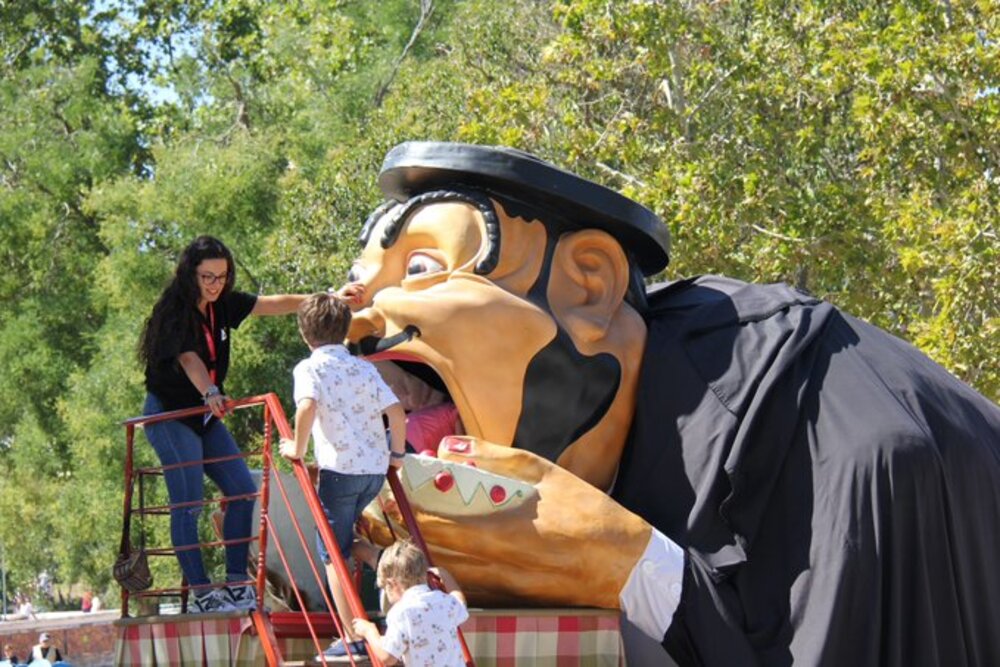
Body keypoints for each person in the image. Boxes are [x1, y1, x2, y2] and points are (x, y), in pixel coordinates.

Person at [336, 141, 1000, 665]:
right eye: (357, 282)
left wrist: (625, 562)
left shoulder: (813, 433)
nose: (356, 314)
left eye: (420, 268)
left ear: (589, 284)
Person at [138, 235, 314, 613]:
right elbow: (188, 359)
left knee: (241, 491)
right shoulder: (175, 310)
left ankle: (237, 585)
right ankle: (203, 595)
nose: (215, 284)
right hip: (172, 415)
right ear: (190, 275)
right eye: (207, 277)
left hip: (203, 414)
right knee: (189, 505)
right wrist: (211, 392)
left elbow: (269, 304)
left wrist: (321, 299)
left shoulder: (224, 304)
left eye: (222, 276)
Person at [278, 292, 406, 660]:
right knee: (343, 539)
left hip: (339, 472)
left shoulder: (310, 368)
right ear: (345, 330)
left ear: (305, 333)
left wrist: (297, 449)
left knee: (331, 552)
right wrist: (396, 455)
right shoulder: (364, 367)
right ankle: (382, 559)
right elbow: (396, 412)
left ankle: (351, 634)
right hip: (373, 472)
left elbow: (307, 407)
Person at [352, 540, 468, 667]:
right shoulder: (444, 602)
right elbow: (460, 601)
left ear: (392, 584)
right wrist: (446, 576)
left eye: (384, 588)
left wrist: (369, 631)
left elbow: (387, 656)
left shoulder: (400, 613)